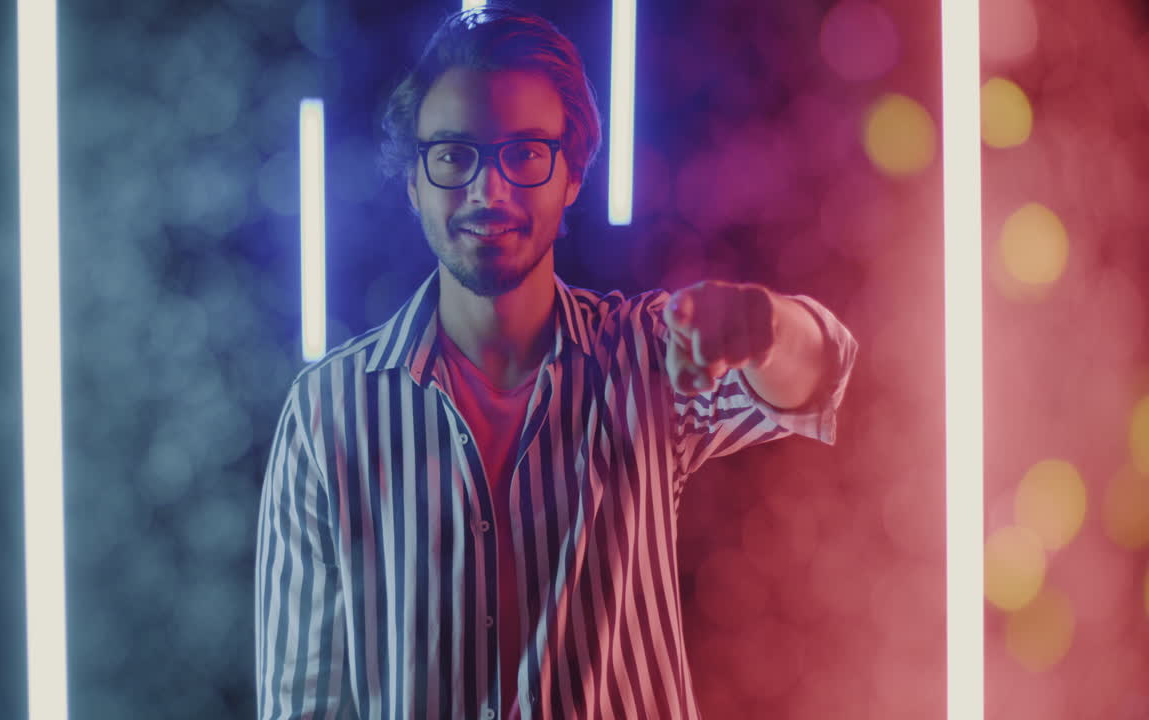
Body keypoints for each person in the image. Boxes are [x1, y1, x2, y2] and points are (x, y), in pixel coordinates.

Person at [255, 8, 857, 720]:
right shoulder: (329, 411)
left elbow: (817, 375)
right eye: (453, 155)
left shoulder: (644, 358)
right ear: (412, 181)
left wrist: (764, 326)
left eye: (526, 153)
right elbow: (302, 702)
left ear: (572, 176)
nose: (489, 190)